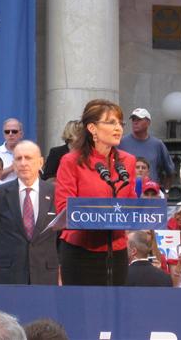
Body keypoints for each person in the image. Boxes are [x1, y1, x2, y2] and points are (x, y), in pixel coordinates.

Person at [55, 99, 136, 285]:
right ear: (92, 128)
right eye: (111, 122)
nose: (119, 128)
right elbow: (63, 208)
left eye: (120, 123)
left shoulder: (128, 161)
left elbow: (131, 204)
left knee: (114, 309)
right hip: (79, 251)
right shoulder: (71, 161)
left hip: (116, 250)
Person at [0, 140, 59, 285]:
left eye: (28, 158)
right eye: (18, 158)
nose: (23, 163)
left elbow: (61, 235)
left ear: (40, 162)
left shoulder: (55, 193)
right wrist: (0, 265)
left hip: (45, 275)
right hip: (8, 275)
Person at [118, 108, 175, 190]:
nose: (135, 122)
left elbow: (170, 171)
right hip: (126, 193)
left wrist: (166, 192)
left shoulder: (157, 144)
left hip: (151, 194)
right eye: (133, 119)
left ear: (148, 122)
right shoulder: (121, 143)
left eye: (139, 119)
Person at [0, 118, 24, 185]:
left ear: (21, 134)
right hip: (0, 193)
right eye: (7, 132)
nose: (10, 134)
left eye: (14, 131)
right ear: (3, 134)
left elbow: (37, 177)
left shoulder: (29, 151)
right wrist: (11, 168)